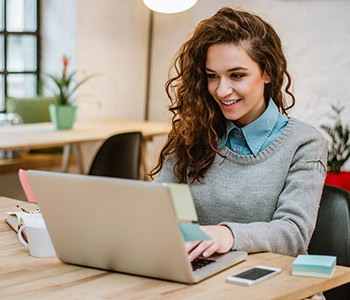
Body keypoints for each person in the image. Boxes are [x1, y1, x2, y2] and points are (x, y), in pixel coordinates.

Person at [150, 7, 327, 263]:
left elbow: (293, 233)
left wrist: (228, 234)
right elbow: (158, 204)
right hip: (205, 277)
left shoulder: (304, 144)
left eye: (237, 75)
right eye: (212, 76)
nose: (222, 90)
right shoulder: (194, 133)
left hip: (276, 282)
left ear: (267, 72)